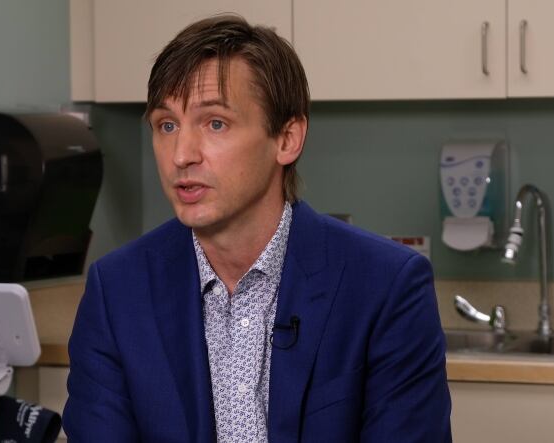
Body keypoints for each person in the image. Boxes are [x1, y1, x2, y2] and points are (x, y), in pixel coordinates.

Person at [62, 14, 451, 443]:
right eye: (166, 125)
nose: (181, 155)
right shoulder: (117, 291)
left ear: (287, 139)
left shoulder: (386, 286)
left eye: (215, 123)